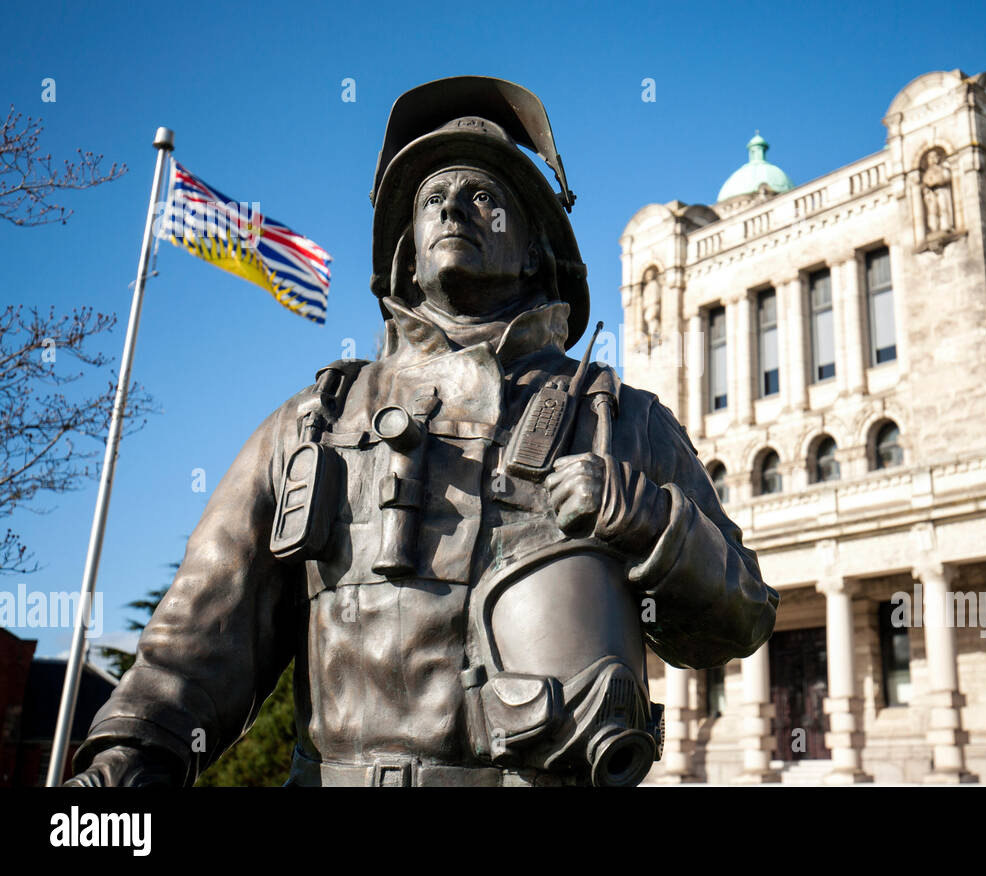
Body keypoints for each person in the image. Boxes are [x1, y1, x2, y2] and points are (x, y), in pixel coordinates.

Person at [65, 76, 778, 787]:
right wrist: (128, 761)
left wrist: (650, 521)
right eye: (432, 200)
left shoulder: (622, 418)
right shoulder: (316, 421)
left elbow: (741, 616)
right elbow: (198, 638)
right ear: (409, 254)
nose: (451, 209)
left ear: (533, 251)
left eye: (481, 197)